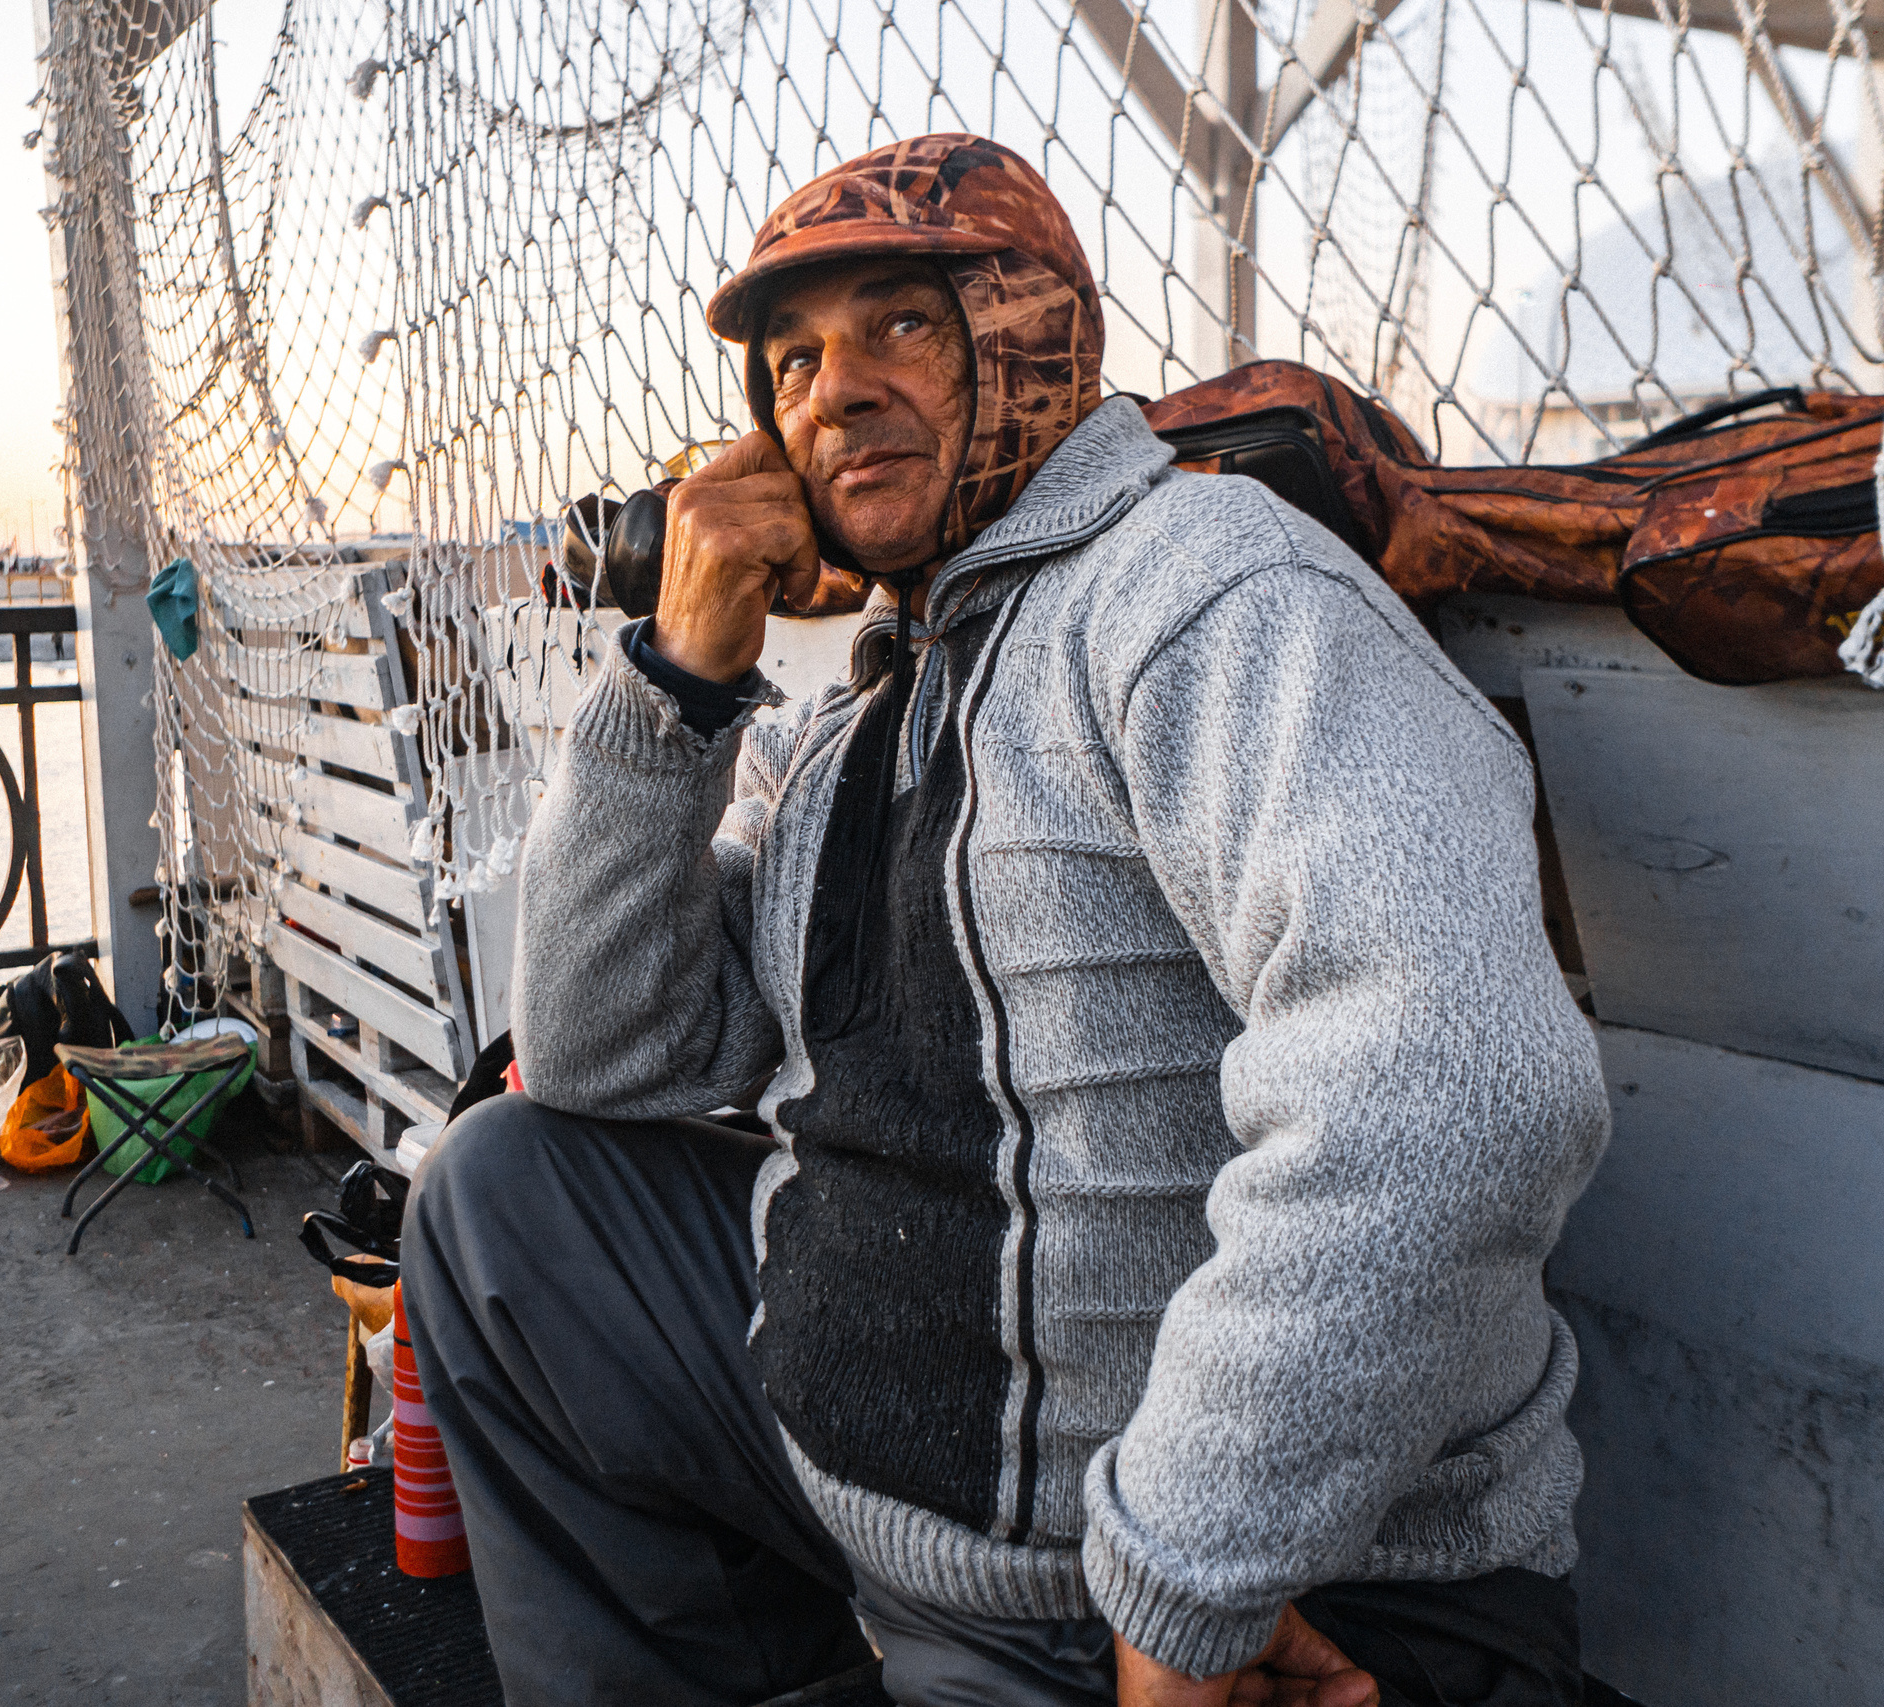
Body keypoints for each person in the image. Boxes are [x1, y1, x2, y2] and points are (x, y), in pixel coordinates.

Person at [404, 135, 1612, 1707]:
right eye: (790, 362)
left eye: (899, 323)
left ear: (1030, 331)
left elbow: (1458, 1087)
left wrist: (1188, 1582)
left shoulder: (1198, 592)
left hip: (1226, 1601)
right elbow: (592, 1051)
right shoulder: (849, 710)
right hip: (892, 1514)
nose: (831, 392)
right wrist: (680, 676)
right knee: (505, 1192)